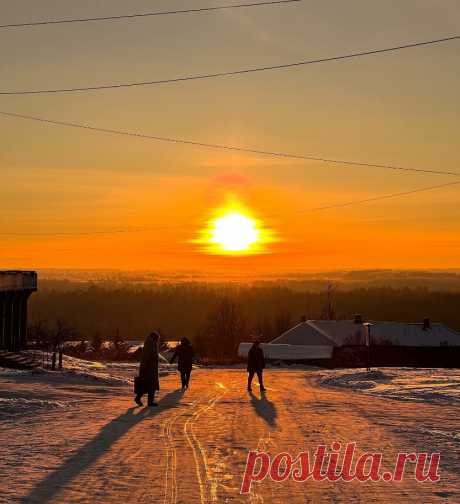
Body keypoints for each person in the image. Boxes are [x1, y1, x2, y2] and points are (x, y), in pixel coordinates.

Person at [135, 331, 160, 407]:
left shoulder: (150, 344)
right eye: (157, 338)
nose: (157, 340)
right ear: (154, 338)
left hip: (150, 369)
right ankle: (149, 402)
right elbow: (146, 358)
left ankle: (139, 398)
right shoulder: (150, 345)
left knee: (146, 385)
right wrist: (144, 368)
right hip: (149, 369)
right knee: (150, 385)